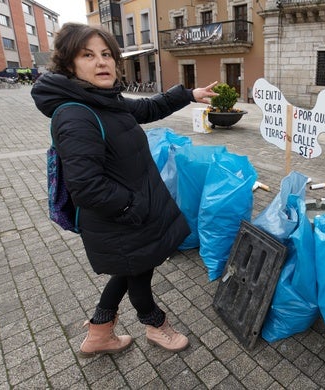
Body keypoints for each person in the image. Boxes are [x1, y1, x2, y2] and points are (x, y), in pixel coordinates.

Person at [31, 23, 218, 357]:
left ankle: (100, 333)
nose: (102, 62)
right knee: (138, 274)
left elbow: (145, 109)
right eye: (88, 55)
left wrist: (188, 95)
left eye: (106, 55)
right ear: (69, 64)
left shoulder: (104, 101)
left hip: (127, 216)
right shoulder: (76, 114)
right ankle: (155, 324)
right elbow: (87, 186)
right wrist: (136, 208)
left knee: (131, 269)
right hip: (122, 218)